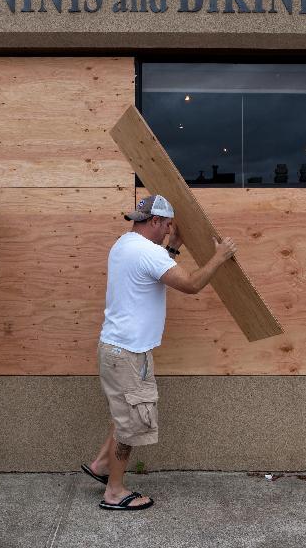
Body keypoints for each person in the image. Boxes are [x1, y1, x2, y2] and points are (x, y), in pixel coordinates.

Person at [82, 194, 237, 510]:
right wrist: (219, 256)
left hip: (119, 349)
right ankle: (114, 492)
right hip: (127, 353)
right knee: (131, 424)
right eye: (167, 225)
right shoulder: (147, 253)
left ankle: (100, 465)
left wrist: (174, 248)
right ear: (153, 221)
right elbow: (191, 284)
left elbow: (154, 272)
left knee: (125, 415)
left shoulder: (125, 244)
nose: (169, 231)